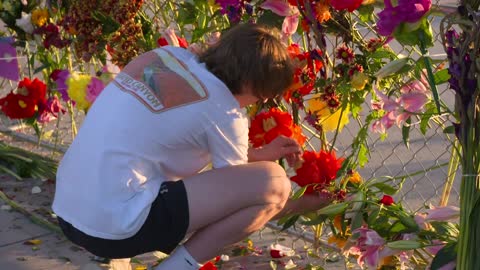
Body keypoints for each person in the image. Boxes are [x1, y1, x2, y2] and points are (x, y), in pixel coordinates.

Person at [52, 23, 332, 270]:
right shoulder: (225, 109)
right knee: (275, 183)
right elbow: (242, 198)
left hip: (68, 210)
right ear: (251, 84)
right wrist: (301, 205)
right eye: (263, 96)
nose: (259, 103)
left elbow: (172, 130)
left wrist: (258, 155)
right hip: (113, 231)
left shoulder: (163, 56)